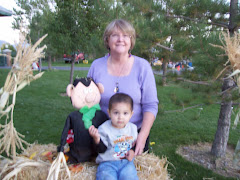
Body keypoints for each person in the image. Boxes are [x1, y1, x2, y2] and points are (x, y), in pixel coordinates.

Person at [87, 19, 159, 155]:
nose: (121, 39)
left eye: (126, 35)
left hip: (133, 136)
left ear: (131, 41)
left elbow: (151, 105)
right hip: (103, 135)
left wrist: (142, 136)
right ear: (107, 40)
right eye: (115, 35)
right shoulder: (96, 66)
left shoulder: (142, 67)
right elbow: (87, 101)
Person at [89, 93, 138, 180]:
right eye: (116, 113)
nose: (120, 117)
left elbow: (134, 144)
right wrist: (97, 139)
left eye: (125, 113)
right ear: (109, 113)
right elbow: (101, 150)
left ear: (131, 114)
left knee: (130, 176)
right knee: (106, 177)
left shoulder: (133, 128)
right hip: (108, 163)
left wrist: (132, 151)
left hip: (126, 163)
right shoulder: (104, 129)